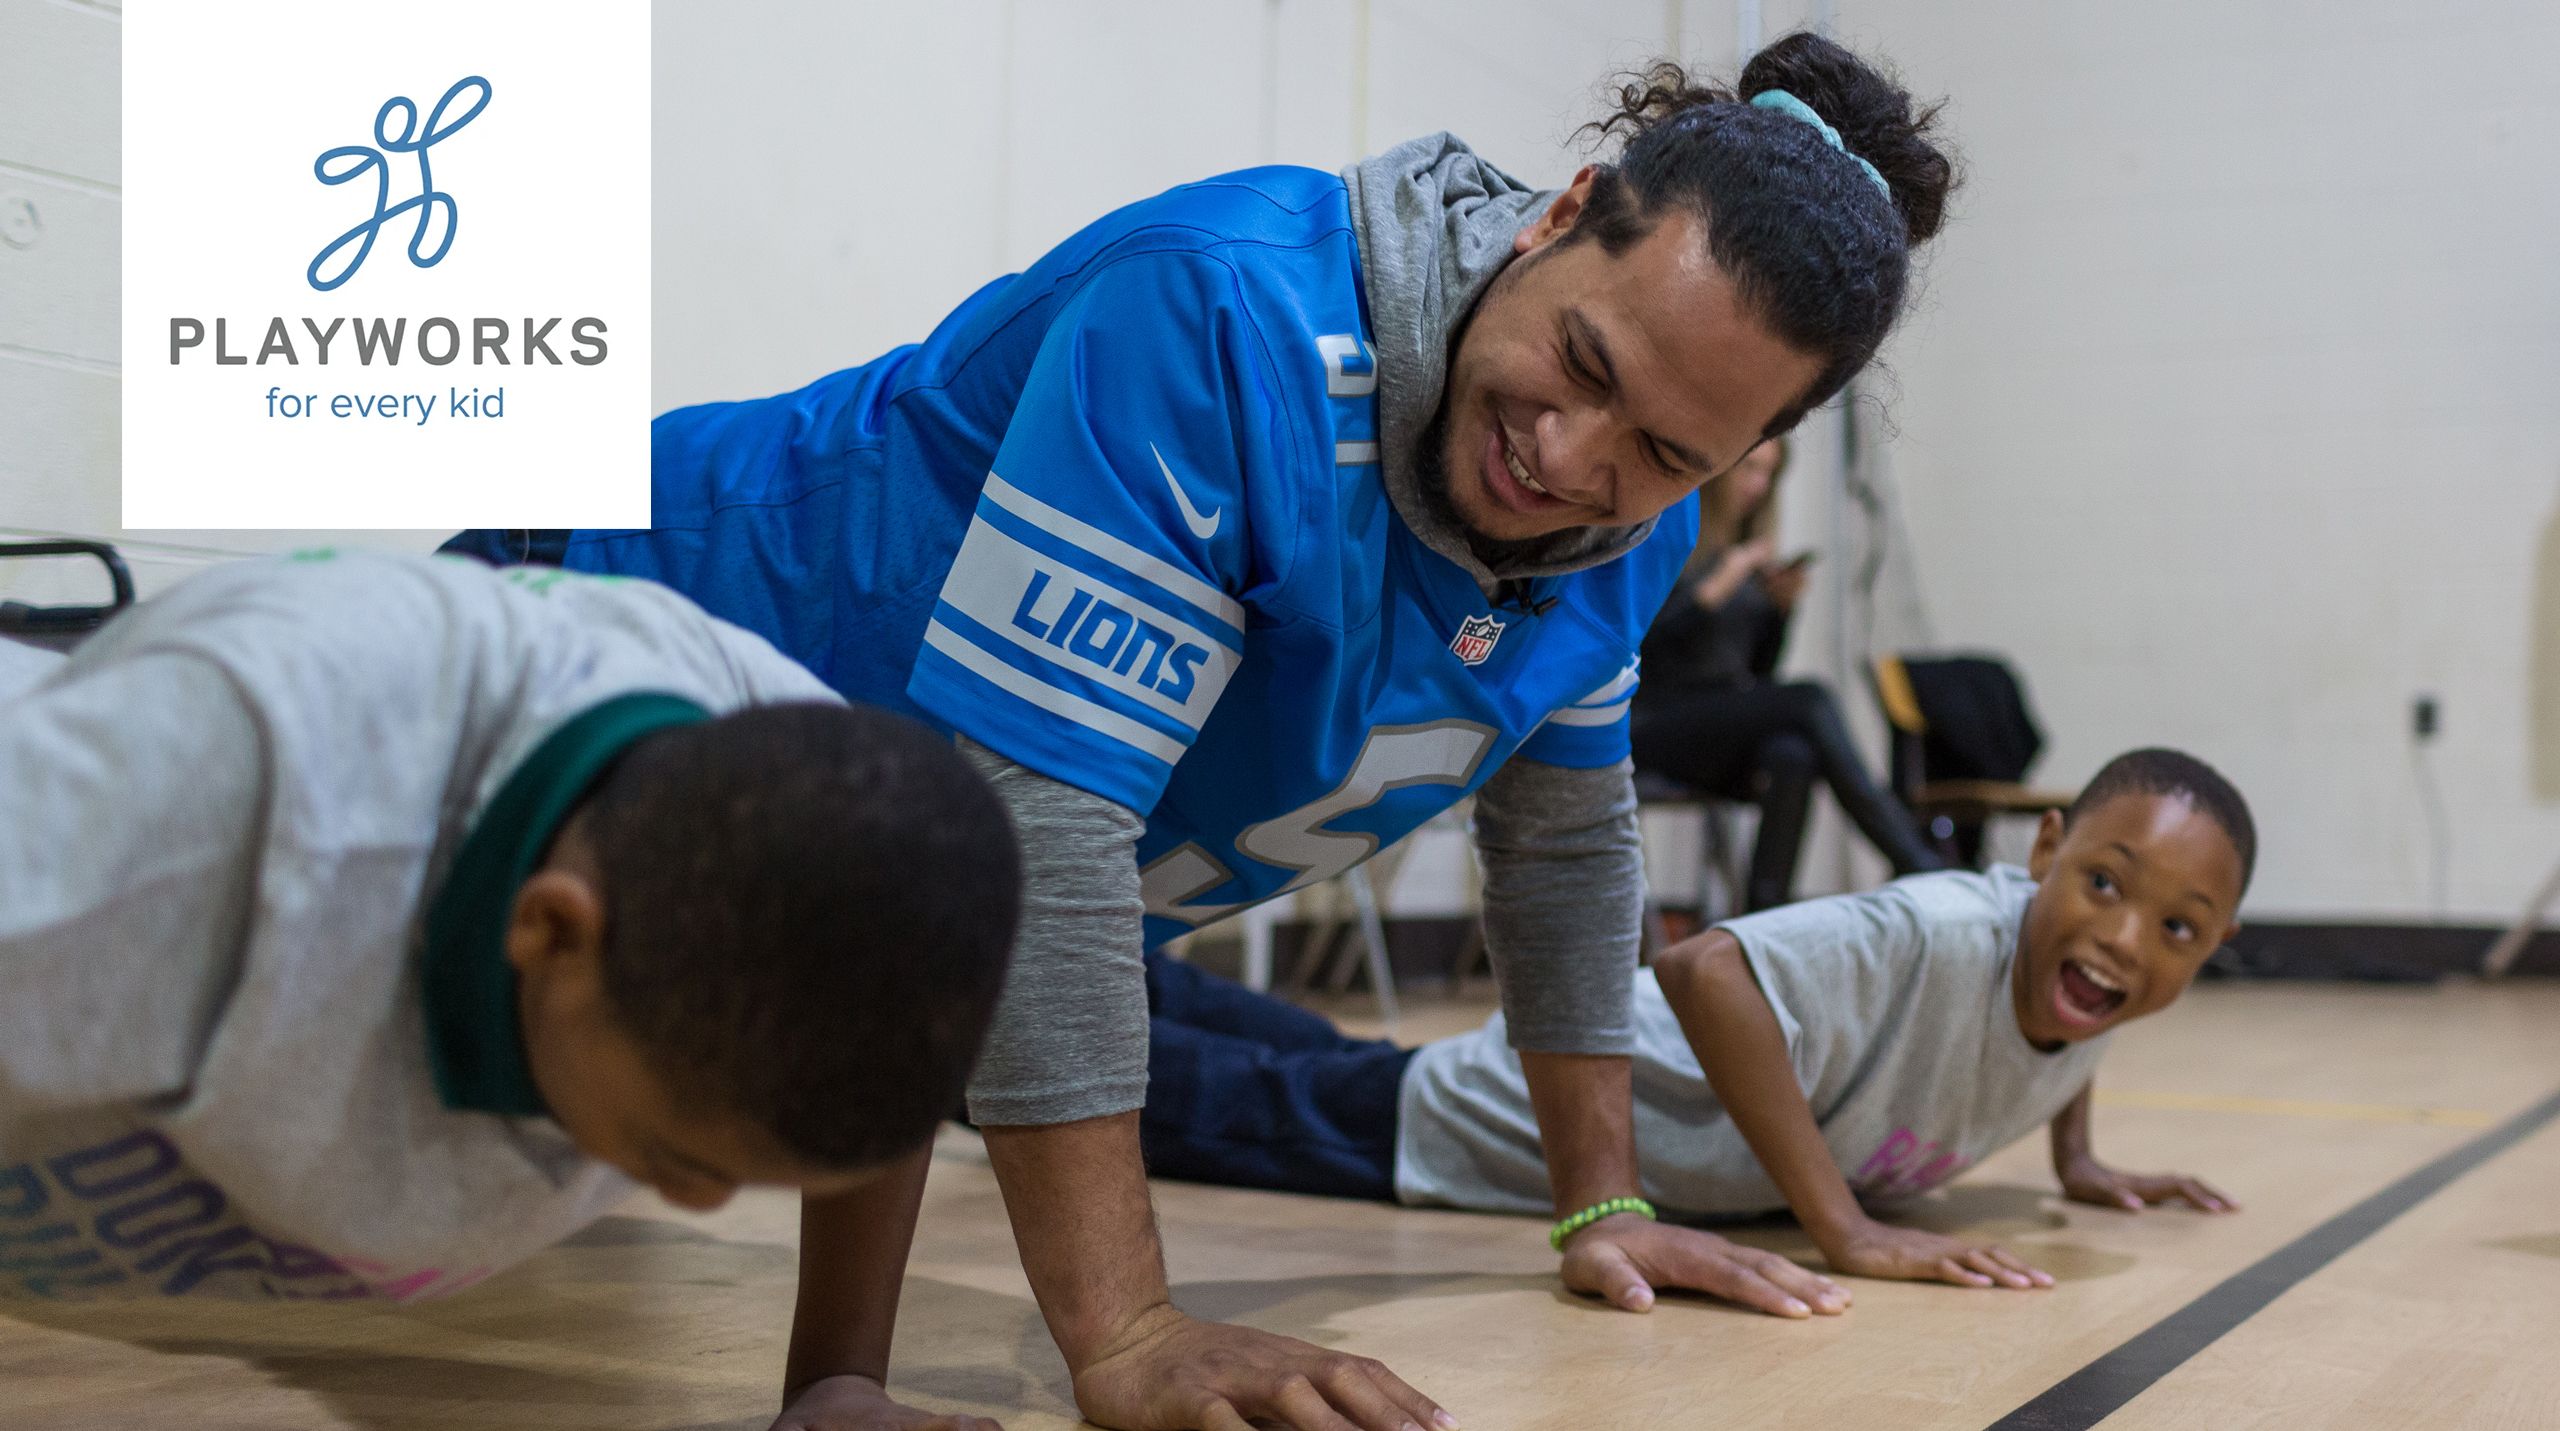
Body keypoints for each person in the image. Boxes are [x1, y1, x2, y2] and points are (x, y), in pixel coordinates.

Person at [447, 33, 1957, 1431]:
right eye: (1582, 367)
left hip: (867, 874)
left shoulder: (1639, 522)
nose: (1570, 458)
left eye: (1664, 451)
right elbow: (1028, 827)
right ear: (1555, 215)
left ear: (1739, 455)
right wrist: (1125, 1331)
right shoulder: (1226, 313)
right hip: (543, 649)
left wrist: (1599, 1208)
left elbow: (1566, 849)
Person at [0, 551, 1020, 1431]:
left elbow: (877, 1051)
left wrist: (839, 1379)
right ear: (550, 931)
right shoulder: (216, 832)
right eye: (677, 1155)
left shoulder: (803, 798)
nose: (701, 1202)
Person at [1141, 748, 2249, 1299]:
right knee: (1223, 1104)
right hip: (1493, 1127)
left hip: (1489, 1082)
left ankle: (1125, 973)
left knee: (1321, 1061)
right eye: (2105, 886)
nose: (2125, 943)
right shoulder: (1941, 928)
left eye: (2178, 931)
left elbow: (2068, 1030)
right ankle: (1015, 1009)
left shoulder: (2086, 976)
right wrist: (1845, 1231)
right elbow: (1704, 968)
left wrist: (2079, 1156)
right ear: (2044, 851)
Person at [1631, 435, 1943, 909]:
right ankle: (1915, 858)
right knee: (1809, 698)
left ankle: (1761, 917)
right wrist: (1712, 592)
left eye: (1769, 475)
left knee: (1793, 752)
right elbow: (1638, 647)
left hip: (1717, 723)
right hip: (1656, 721)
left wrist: (1779, 612)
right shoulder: (1678, 540)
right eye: (1749, 468)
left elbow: (1758, 673)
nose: (1758, 485)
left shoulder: (1748, 554)